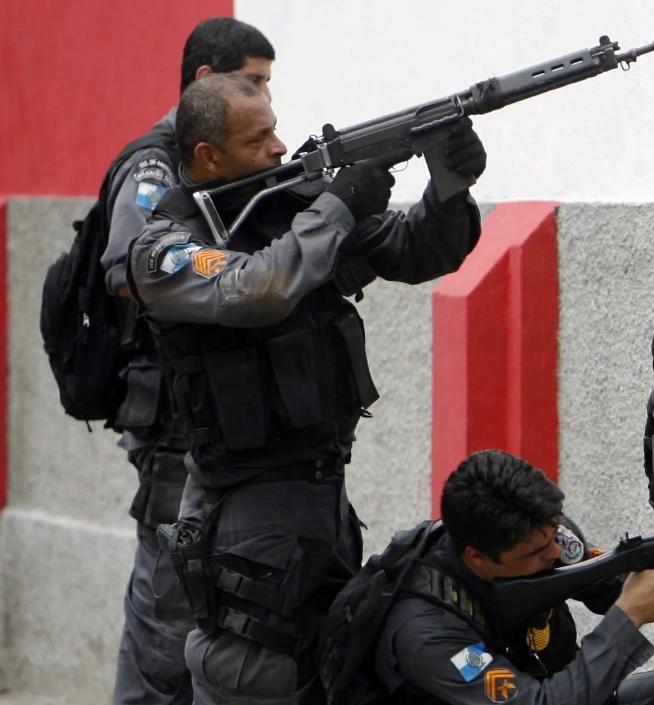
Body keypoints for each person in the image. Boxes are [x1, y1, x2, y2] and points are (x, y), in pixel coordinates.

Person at [125, 71, 488, 704]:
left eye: (275, 129)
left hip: (323, 496)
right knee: (253, 678)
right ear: (208, 156)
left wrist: (448, 190)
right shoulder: (166, 245)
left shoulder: (287, 210)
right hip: (245, 511)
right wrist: (338, 202)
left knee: (332, 671)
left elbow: (413, 250)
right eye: (257, 138)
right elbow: (255, 289)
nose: (277, 147)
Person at [99, 17, 275, 705]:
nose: (263, 96)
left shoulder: (227, 156)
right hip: (171, 419)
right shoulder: (155, 161)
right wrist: (243, 276)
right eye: (252, 82)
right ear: (207, 79)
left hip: (216, 418)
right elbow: (130, 267)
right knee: (164, 619)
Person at [374, 449, 654, 705]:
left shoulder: (541, 532)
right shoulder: (426, 632)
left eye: (553, 534)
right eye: (534, 552)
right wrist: (627, 620)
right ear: (477, 557)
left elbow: (616, 582)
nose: (555, 553)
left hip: (573, 693)